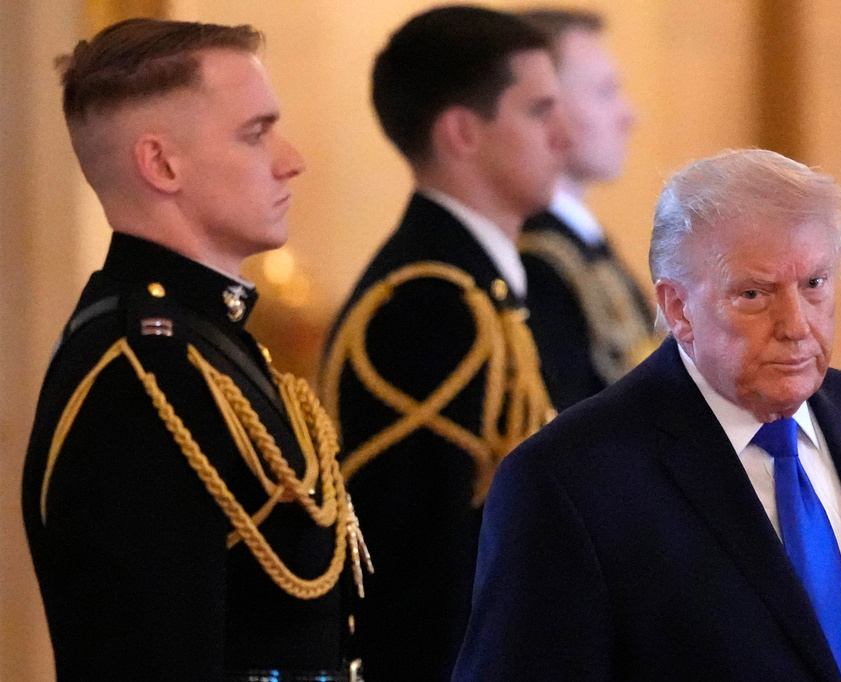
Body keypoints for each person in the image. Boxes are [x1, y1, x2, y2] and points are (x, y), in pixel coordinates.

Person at [454, 149, 841, 681]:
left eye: (814, 284)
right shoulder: (569, 482)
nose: (796, 325)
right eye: (755, 294)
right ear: (677, 308)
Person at [21, 18, 369, 682]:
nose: (290, 158)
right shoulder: (140, 376)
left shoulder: (212, 347)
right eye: (255, 133)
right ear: (161, 163)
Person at [318, 6, 567, 681]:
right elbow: (425, 571)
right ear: (462, 132)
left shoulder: (481, 285)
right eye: (541, 111)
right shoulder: (430, 303)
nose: (564, 136)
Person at [516, 8, 659, 410]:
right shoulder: (541, 260)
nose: (629, 116)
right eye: (605, 92)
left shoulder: (579, 244)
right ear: (547, 109)